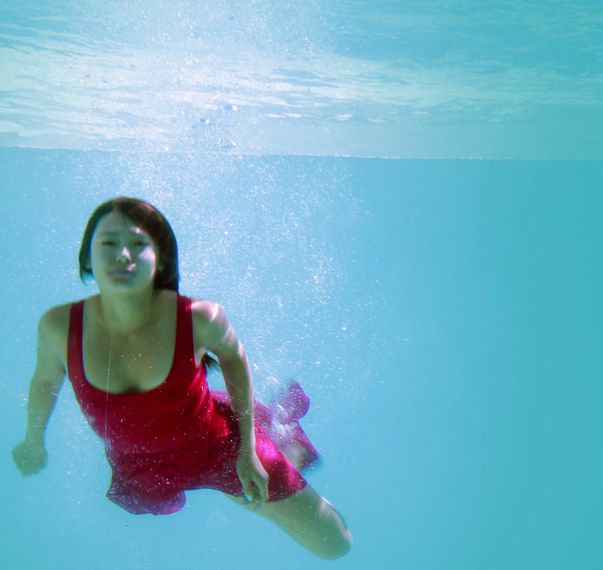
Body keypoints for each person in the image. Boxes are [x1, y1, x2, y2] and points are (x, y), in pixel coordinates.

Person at [10, 197, 352, 560]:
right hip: (140, 467)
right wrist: (33, 439)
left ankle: (274, 428)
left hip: (221, 446)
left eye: (138, 244)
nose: (123, 255)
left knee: (334, 545)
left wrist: (248, 451)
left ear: (161, 258)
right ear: (87, 256)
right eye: (108, 243)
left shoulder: (199, 318)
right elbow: (46, 382)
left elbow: (234, 358)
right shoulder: (59, 327)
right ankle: (259, 462)